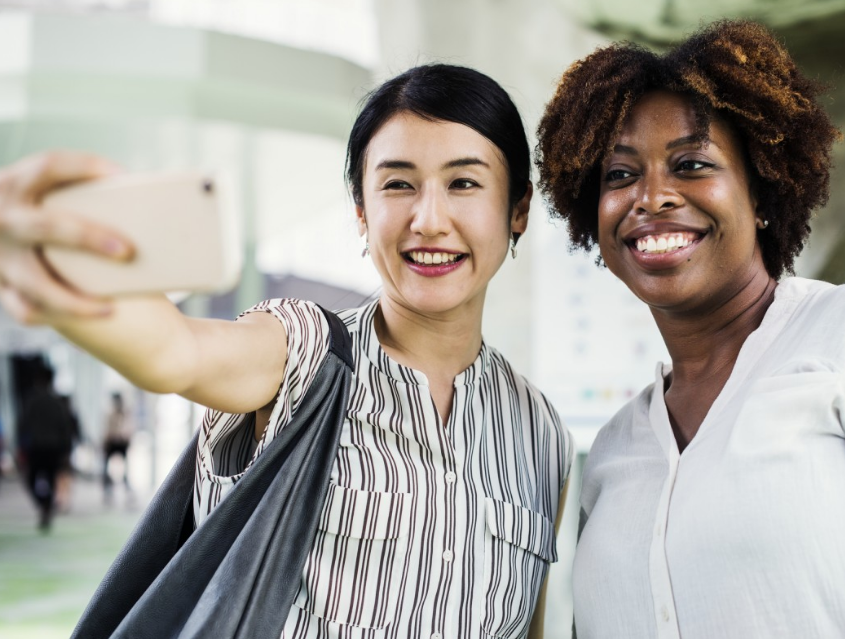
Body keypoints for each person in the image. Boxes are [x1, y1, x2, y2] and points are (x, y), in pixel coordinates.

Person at [0, 64, 571, 637]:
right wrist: (58, 270)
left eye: (464, 183)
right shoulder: (301, 353)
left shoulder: (542, 432)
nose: (428, 220)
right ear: (361, 212)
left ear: (517, 208)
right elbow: (174, 351)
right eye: (398, 184)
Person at [536, 19, 845, 638]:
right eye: (620, 175)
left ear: (762, 192)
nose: (651, 197)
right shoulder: (613, 451)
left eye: (691, 164)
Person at [15, 365, 76, 530]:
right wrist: (66, 449)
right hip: (53, 448)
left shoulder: (31, 401)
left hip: (36, 447)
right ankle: (47, 505)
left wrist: (20, 446)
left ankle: (44, 505)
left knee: (31, 478)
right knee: (49, 478)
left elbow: (22, 425)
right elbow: (65, 428)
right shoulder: (56, 402)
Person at [102, 392, 132, 503]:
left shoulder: (125, 414)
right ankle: (107, 489)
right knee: (106, 468)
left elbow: (128, 429)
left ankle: (127, 489)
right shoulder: (111, 414)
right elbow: (107, 430)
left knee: (125, 469)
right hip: (112, 443)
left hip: (122, 443)